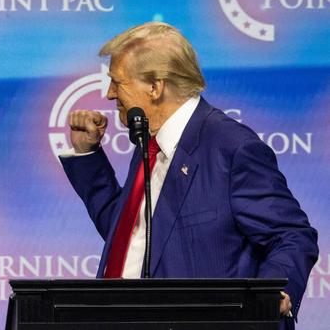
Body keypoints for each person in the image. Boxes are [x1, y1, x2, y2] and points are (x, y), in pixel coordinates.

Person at [60, 22, 318, 329]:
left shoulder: (230, 147)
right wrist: (87, 155)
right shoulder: (149, 142)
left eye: (118, 81)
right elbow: (134, 238)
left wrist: (271, 294)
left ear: (155, 87)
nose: (109, 93)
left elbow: (292, 235)